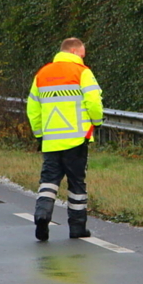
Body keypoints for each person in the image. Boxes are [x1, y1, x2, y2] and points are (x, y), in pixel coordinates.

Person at [26, 37, 103, 241]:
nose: (84, 58)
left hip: (51, 140)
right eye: (82, 54)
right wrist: (97, 121)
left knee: (49, 180)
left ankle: (42, 215)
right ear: (75, 51)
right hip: (77, 139)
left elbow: (33, 108)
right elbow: (94, 101)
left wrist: (40, 134)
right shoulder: (82, 72)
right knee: (76, 183)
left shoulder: (43, 74)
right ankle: (77, 228)